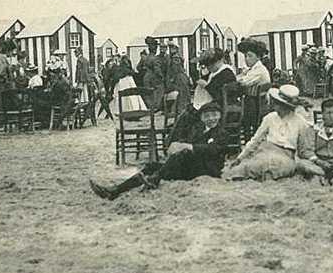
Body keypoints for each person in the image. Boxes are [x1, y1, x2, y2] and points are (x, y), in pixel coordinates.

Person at [89, 101, 229, 200]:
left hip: (209, 170)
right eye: (207, 116)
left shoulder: (222, 133)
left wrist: (187, 147)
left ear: (220, 115)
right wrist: (178, 144)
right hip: (192, 168)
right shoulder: (198, 130)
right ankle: (115, 190)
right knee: (152, 166)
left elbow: (213, 149)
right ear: (202, 118)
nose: (211, 119)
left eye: (214, 115)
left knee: (180, 155)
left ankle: (155, 178)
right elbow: (184, 140)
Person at [223, 84, 310, 182]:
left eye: (277, 103)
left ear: (285, 106)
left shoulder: (300, 122)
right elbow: (255, 140)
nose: (273, 105)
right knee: (248, 167)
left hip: (286, 155)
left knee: (275, 167)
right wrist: (240, 158)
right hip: (265, 151)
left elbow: (303, 148)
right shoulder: (270, 118)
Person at [109, 51, 148, 118]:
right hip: (127, 81)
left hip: (123, 82)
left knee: (126, 98)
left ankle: (126, 111)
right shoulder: (127, 71)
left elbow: (115, 78)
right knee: (131, 97)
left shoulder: (119, 69)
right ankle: (133, 110)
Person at [164, 42, 192, 114]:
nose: (171, 50)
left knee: (182, 92)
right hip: (178, 77)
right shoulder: (172, 57)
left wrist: (172, 78)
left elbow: (176, 69)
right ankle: (180, 108)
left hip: (178, 77)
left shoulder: (176, 57)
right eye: (170, 48)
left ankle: (181, 108)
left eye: (173, 48)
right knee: (182, 92)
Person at [141, 36, 165, 111]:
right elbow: (157, 70)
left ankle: (150, 106)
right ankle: (156, 107)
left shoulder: (145, 57)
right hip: (153, 77)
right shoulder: (155, 58)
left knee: (148, 92)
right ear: (155, 49)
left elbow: (139, 68)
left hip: (146, 77)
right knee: (159, 89)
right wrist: (162, 76)